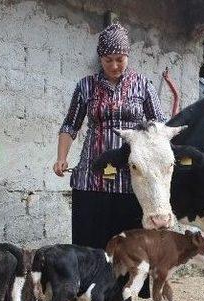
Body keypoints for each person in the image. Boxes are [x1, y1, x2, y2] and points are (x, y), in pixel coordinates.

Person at [53, 23, 167, 250]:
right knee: (91, 245)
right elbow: (70, 125)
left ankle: (130, 287)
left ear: (127, 56)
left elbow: (159, 128)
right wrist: (61, 157)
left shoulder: (143, 85)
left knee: (132, 248)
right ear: (100, 59)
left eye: (120, 59)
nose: (114, 65)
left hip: (132, 179)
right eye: (108, 60)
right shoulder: (86, 86)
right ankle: (91, 285)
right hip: (91, 177)